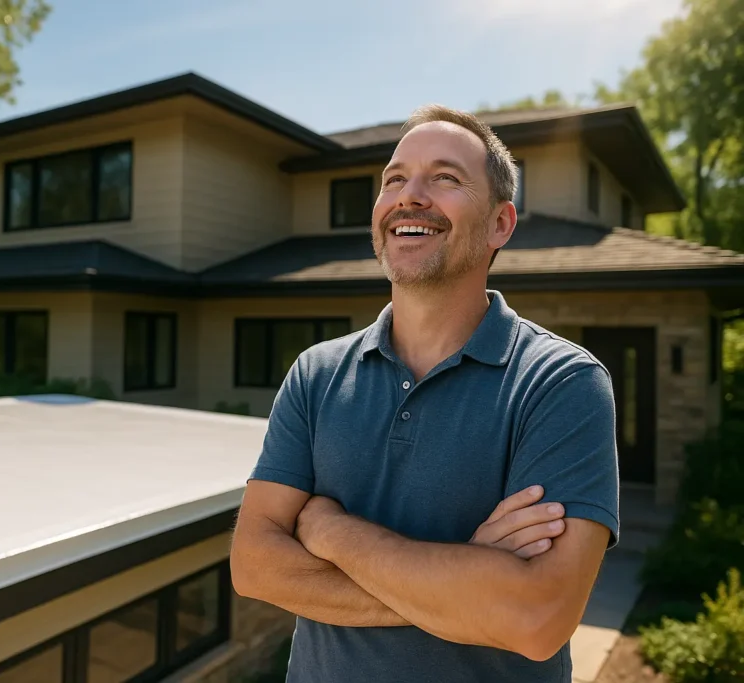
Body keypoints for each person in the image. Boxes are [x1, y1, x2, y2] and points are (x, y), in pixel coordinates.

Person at [229, 105, 619, 682]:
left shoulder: (560, 382)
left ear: (500, 225)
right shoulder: (317, 374)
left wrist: (333, 533)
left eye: (445, 178)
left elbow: (537, 618)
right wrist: (465, 586)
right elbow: (254, 566)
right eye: (394, 178)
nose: (409, 196)